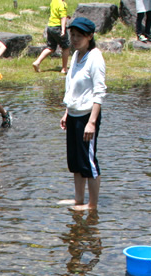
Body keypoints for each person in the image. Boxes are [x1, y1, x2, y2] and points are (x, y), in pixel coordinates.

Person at [59, 17, 105, 211]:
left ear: (90, 36)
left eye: (79, 36)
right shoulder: (76, 55)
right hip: (74, 115)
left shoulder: (95, 57)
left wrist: (92, 122)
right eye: (73, 35)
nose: (75, 39)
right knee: (75, 160)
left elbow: (99, 92)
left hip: (87, 116)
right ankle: (79, 200)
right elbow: (72, 88)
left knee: (88, 161)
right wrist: (66, 112)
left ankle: (92, 204)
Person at [31, 0, 70, 73]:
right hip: (58, 27)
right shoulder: (63, 4)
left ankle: (37, 62)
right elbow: (63, 18)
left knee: (51, 47)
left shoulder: (54, 1)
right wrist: (63, 30)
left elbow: (56, 13)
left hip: (50, 27)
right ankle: (64, 69)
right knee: (66, 47)